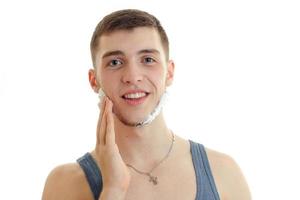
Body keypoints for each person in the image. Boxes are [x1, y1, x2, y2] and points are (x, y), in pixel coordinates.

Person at [42, 9, 251, 200]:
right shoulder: (65, 185)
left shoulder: (224, 173)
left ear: (169, 73)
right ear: (93, 80)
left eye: (148, 59)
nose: (132, 77)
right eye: (115, 62)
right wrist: (113, 189)